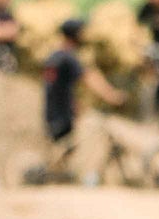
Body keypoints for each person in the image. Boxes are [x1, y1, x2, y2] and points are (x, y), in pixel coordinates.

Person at [41, 17, 125, 173]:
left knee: (65, 150)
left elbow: (58, 88)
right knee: (89, 136)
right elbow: (89, 77)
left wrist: (76, 105)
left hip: (52, 114)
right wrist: (112, 95)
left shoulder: (54, 57)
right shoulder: (69, 58)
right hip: (63, 116)